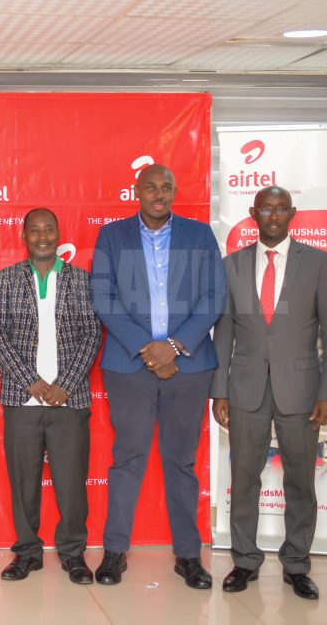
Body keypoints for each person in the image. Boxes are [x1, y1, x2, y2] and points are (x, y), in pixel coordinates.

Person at [89, 163, 225, 589]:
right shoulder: (113, 236)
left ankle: (188, 556)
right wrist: (149, 350)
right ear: (137, 191)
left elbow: (215, 295)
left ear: (174, 192)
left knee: (182, 462)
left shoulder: (199, 235)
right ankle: (115, 552)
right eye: (152, 186)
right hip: (130, 365)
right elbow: (103, 297)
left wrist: (177, 345)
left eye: (167, 187)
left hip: (189, 365)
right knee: (128, 458)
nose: (160, 193)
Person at [212, 185, 327, 601]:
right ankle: (245, 561)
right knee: (244, 478)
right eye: (265, 209)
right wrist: (220, 391)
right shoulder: (231, 265)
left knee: (301, 481)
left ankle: (297, 564)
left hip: (303, 391)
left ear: (292, 214)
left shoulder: (319, 263)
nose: (273, 215)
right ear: (253, 213)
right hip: (246, 388)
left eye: (280, 208)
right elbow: (225, 332)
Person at [0, 208, 103, 584]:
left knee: (71, 482)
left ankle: (73, 554)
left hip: (69, 399)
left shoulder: (82, 280)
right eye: (34, 230)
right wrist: (30, 381)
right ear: (23, 235)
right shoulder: (5, 279)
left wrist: (65, 383)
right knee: (23, 482)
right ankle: (26, 553)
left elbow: (92, 334)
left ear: (57, 234)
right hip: (23, 400)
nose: (42, 236)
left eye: (48, 229)